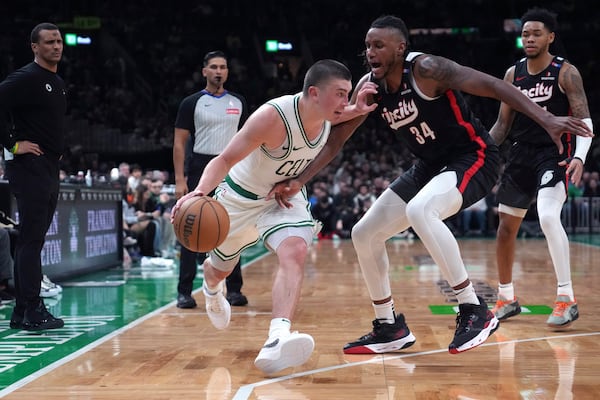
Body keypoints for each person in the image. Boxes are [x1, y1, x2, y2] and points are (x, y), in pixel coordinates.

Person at [268, 15, 592, 355]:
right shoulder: (371, 86)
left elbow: (494, 85)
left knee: (421, 210)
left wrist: (546, 118)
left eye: (378, 45)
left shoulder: (427, 69)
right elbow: (336, 140)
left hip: (474, 156)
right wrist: (300, 179)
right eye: (367, 46)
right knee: (363, 233)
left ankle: (474, 309)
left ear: (400, 47)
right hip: (429, 166)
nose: (370, 52)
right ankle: (389, 326)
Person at [171, 59, 374, 374]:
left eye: (348, 94)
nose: (344, 102)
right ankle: (211, 288)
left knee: (295, 251)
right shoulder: (272, 117)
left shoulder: (327, 114)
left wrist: (358, 108)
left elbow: (345, 113)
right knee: (218, 270)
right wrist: (199, 192)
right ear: (314, 93)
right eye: (340, 94)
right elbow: (224, 159)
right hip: (238, 200)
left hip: (280, 198)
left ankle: (278, 337)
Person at [489, 8, 593, 328]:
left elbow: (585, 121)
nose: (529, 38)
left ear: (550, 37)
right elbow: (502, 125)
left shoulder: (566, 72)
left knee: (548, 216)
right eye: (525, 33)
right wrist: (479, 150)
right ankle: (506, 298)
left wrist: (579, 158)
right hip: (520, 154)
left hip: (554, 154)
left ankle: (566, 298)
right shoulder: (513, 74)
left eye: (536, 33)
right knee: (506, 229)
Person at [0, 22, 67, 330]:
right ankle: (32, 309)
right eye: (50, 42)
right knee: (31, 238)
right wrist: (12, 143)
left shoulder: (56, 80)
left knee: (33, 238)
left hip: (47, 166)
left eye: (59, 41)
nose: (56, 46)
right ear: (35, 47)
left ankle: (22, 309)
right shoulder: (26, 78)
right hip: (30, 167)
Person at [172, 50, 249, 309]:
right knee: (189, 228)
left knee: (232, 228)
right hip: (200, 167)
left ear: (228, 72)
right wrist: (180, 179)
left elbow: (247, 140)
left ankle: (234, 289)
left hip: (232, 168)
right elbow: (179, 144)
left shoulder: (239, 101)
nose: (219, 71)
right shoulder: (191, 102)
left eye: (223, 67)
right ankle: (184, 291)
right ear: (204, 71)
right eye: (214, 67)